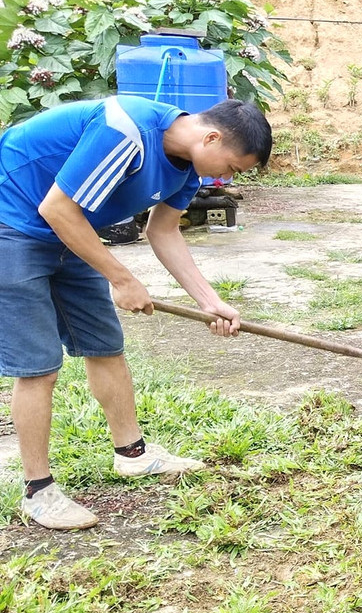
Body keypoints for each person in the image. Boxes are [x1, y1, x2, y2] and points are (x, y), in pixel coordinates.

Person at [0, 96, 272, 530]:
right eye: (232, 167)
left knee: (104, 346)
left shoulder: (185, 164)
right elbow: (55, 208)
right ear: (212, 137)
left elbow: (162, 231)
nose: (226, 177)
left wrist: (209, 300)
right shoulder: (125, 132)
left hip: (71, 229)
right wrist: (121, 278)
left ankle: (133, 455)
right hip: (12, 223)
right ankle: (39, 490)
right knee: (37, 367)